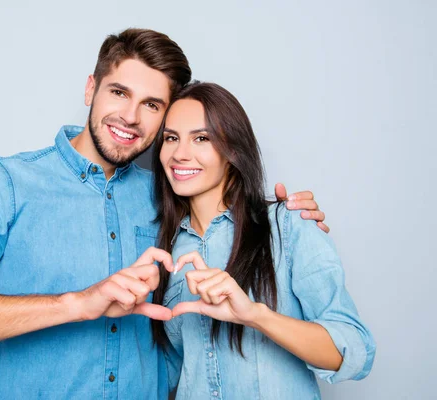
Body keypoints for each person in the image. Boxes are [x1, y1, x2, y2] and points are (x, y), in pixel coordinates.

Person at [0, 29, 327, 399]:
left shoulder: (168, 197)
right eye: (119, 92)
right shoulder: (7, 184)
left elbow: (226, 211)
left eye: (152, 105)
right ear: (91, 87)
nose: (130, 116)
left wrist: (283, 216)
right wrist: (75, 304)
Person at [151, 82, 375, 399]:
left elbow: (355, 350)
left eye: (201, 138)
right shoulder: (165, 250)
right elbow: (169, 371)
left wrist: (255, 315)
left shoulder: (287, 225)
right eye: (170, 138)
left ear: (233, 150)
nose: (179, 154)